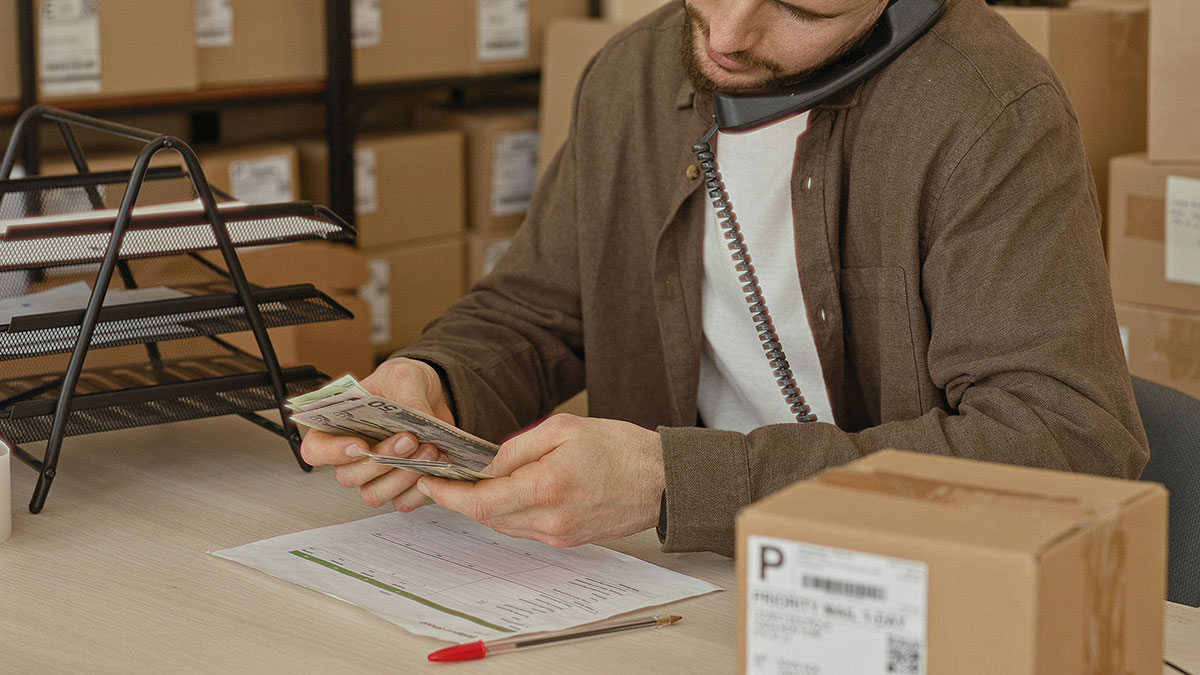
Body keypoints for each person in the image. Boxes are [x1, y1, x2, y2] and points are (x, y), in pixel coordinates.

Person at [301, 0, 1148, 557]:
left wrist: (675, 479)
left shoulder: (990, 112)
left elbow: (1067, 441)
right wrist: (436, 379)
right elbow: (540, 309)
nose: (729, 34)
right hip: (673, 586)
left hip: (890, 592)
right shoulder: (632, 72)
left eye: (803, 7)